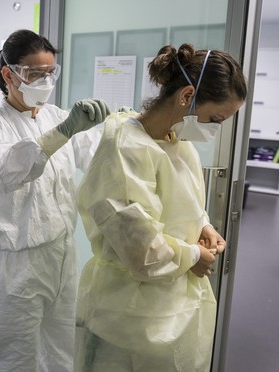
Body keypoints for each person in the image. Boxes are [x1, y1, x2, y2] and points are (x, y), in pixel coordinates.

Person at [74, 43, 247, 371]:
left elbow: (187, 202)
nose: (213, 129)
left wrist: (204, 226)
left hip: (171, 308)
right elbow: (142, 251)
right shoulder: (125, 149)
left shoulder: (177, 142)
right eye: (215, 118)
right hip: (127, 317)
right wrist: (195, 257)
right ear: (186, 96)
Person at [0, 29, 109, 372]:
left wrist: (121, 128)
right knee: (11, 355)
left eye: (50, 73)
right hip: (16, 266)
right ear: (9, 74)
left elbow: (96, 158)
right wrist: (63, 133)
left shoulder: (56, 116)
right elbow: (4, 169)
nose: (44, 82)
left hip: (61, 255)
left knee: (61, 348)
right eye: (34, 74)